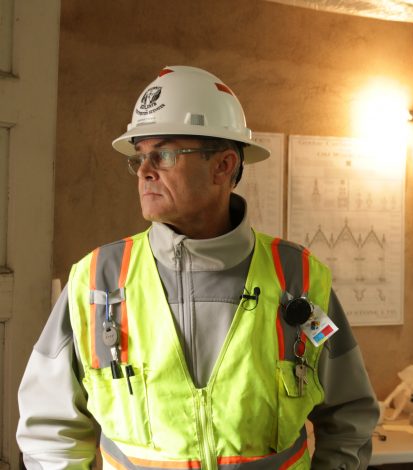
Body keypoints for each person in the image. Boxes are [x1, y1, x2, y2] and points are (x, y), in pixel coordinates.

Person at [16, 66, 380, 469]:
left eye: (165, 154)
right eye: (139, 156)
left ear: (223, 166)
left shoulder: (301, 280)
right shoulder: (97, 281)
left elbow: (349, 418)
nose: (144, 170)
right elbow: (50, 432)